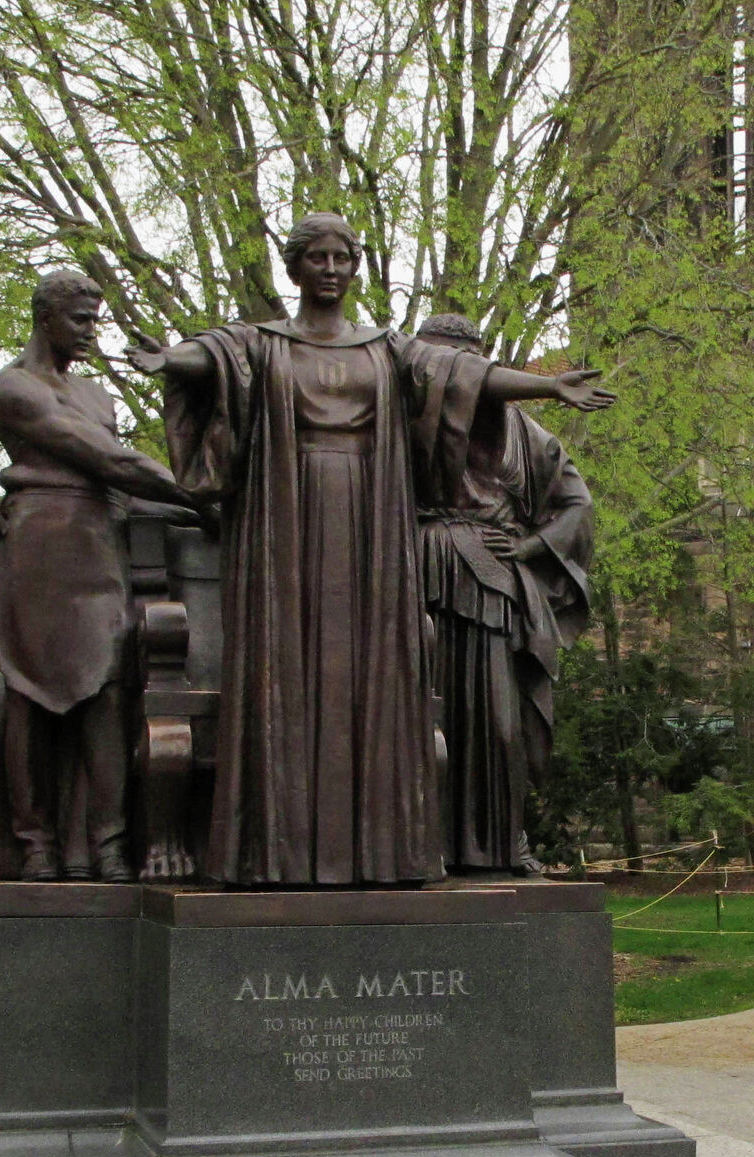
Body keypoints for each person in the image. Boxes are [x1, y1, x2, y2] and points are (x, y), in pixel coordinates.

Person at [130, 212, 612, 886]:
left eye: (342, 259)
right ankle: (278, 850)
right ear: (294, 267)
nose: (331, 271)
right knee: (286, 671)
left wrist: (547, 385)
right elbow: (213, 358)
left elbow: (461, 376)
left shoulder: (386, 350)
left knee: (370, 679)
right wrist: (169, 359)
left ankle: (378, 851)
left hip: (368, 527)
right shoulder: (264, 344)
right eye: (318, 259)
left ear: (355, 267)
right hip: (287, 521)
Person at [0, 271, 202, 882]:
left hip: (98, 542)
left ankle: (107, 841)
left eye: (94, 319)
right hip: (40, 543)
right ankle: (35, 844)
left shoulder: (99, 397)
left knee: (105, 687)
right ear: (44, 317)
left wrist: (200, 502)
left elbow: (122, 476)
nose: (89, 332)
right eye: (79, 319)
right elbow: (108, 459)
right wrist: (197, 497)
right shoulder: (14, 387)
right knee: (30, 691)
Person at [412, 313, 594, 874]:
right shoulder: (408, 424)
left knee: (499, 721)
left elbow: (576, 504)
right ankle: (423, 843)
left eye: (455, 366)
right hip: (424, 573)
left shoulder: (528, 435)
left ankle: (502, 838)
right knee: (422, 713)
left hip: (495, 586)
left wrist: (535, 547)